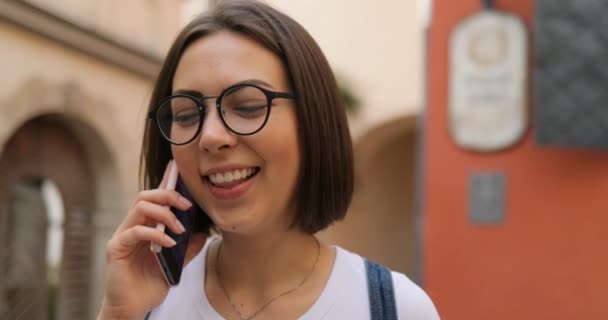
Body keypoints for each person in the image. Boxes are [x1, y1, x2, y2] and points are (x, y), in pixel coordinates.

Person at [97, 1, 440, 319]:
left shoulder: (394, 307)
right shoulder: (148, 300)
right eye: (186, 114)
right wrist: (118, 313)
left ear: (312, 122)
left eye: (248, 106)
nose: (212, 136)